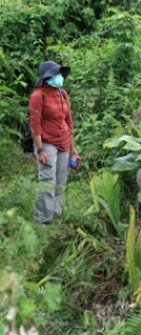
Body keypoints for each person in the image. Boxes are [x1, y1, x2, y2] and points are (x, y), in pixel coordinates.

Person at [29, 60, 78, 224]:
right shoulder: (38, 96)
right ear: (47, 77)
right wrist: (40, 150)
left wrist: (73, 149)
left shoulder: (62, 94)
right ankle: (42, 220)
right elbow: (35, 125)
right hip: (47, 143)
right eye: (56, 74)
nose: (59, 77)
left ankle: (55, 217)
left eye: (60, 74)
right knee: (48, 182)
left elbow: (69, 123)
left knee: (60, 181)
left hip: (64, 142)